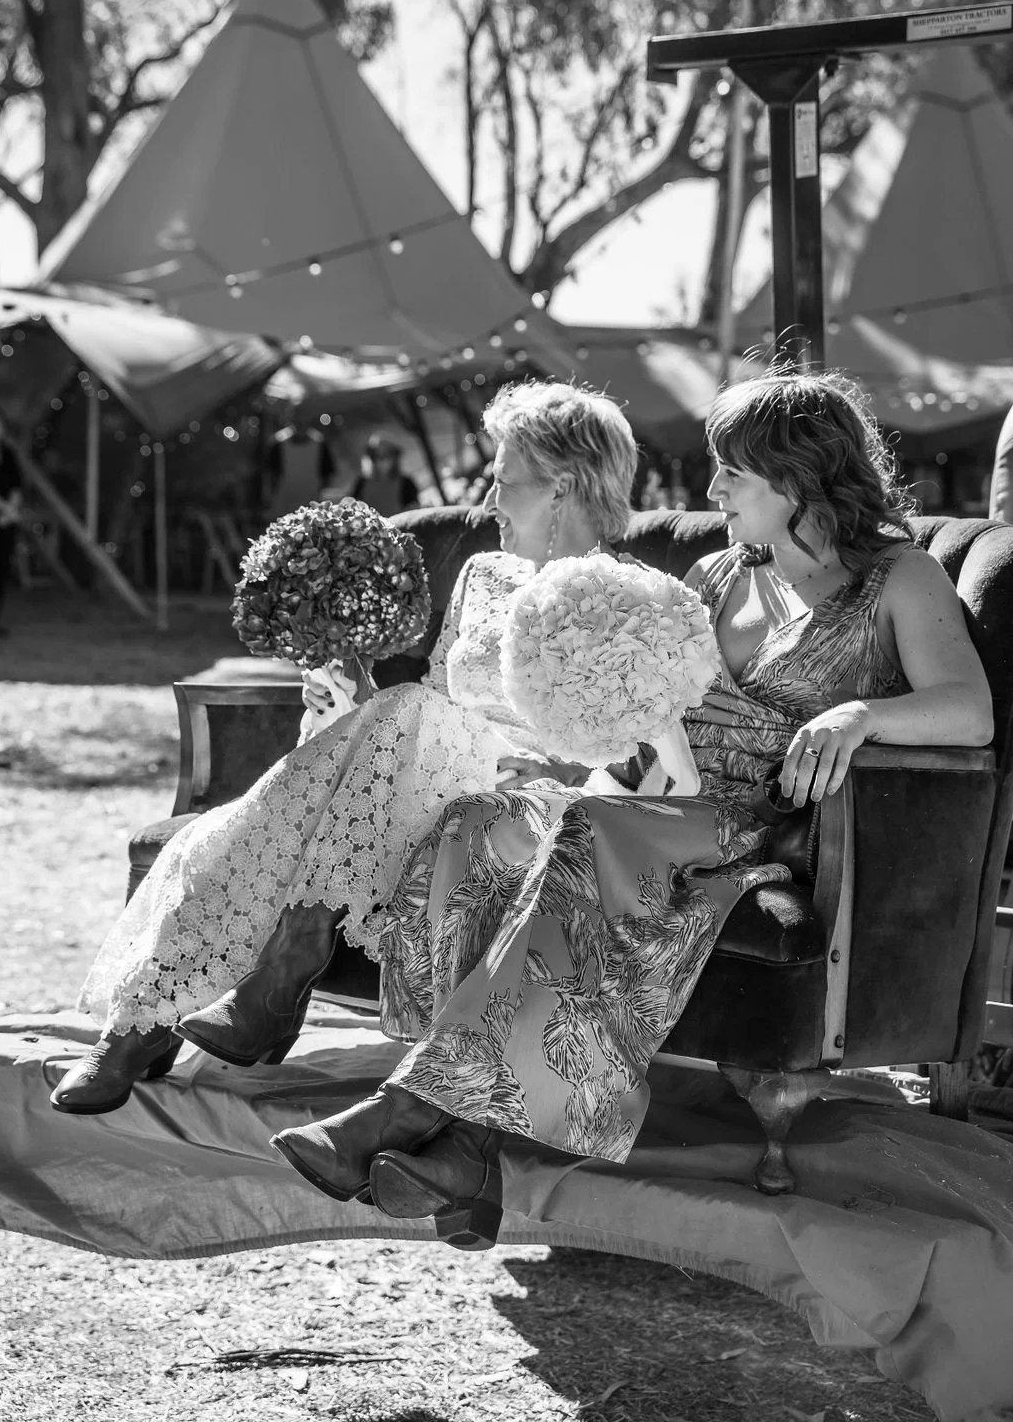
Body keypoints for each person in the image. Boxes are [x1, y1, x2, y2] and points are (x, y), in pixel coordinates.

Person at [265, 369, 994, 1252]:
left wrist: (859, 713)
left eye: (733, 472)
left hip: (769, 829)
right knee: (483, 827)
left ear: (798, 477)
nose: (712, 489)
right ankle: (464, 1156)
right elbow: (653, 716)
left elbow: (971, 709)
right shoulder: (721, 574)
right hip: (666, 798)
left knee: (589, 831)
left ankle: (406, 1115)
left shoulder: (897, 578)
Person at [50, 381, 640, 1114]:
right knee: (389, 722)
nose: (489, 498)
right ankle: (159, 1015)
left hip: (526, 802)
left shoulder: (626, 596)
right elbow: (429, 704)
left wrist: (529, 758)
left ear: (563, 487)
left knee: (406, 721)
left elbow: (623, 748)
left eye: (504, 479)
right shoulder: (482, 575)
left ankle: (222, 996)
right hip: (425, 776)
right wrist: (351, 704)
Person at [0, 405, 23, 636]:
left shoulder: (7, 452)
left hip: (5, 520)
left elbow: (16, 484)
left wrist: (10, 510)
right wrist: (2, 508)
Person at [350, 433, 420, 517]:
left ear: (395, 458)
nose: (382, 460)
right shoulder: (362, 482)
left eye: (387, 455)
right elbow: (352, 508)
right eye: (376, 456)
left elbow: (413, 511)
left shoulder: (406, 483)